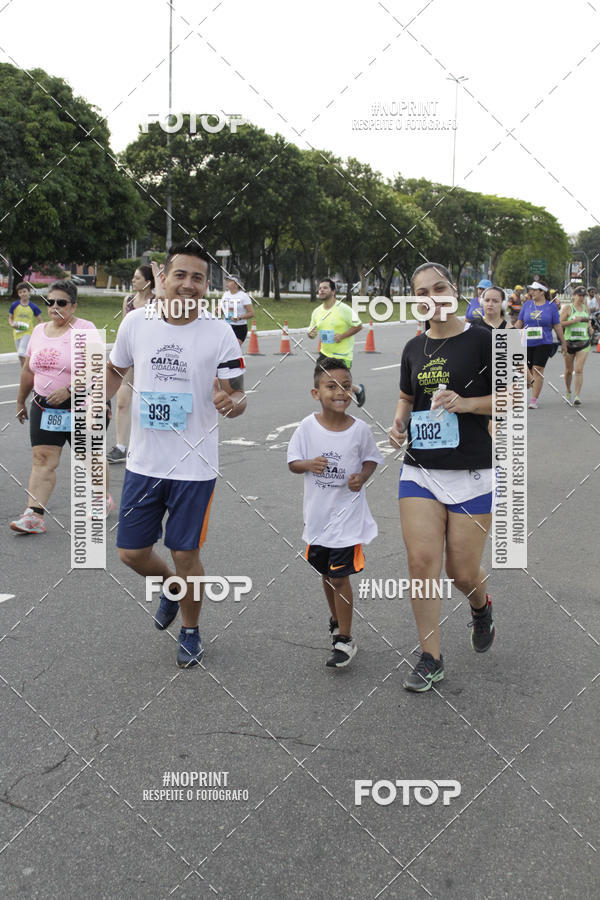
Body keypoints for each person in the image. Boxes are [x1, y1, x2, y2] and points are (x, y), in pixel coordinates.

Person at [105, 243, 247, 669]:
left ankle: (190, 629)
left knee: (185, 554)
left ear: (206, 285)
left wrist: (231, 403)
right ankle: (172, 588)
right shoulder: (136, 323)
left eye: (198, 278)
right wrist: (95, 405)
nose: (188, 284)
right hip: (144, 463)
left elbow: (238, 395)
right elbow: (115, 370)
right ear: (163, 278)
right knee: (131, 553)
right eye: (180, 275)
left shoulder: (219, 332)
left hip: (194, 466)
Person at [389, 262, 494, 693]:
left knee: (461, 572)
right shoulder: (413, 347)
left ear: (454, 291)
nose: (432, 297)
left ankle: (481, 606)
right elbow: (406, 396)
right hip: (420, 470)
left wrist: (466, 404)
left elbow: (513, 397)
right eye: (422, 292)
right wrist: (399, 422)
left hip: (472, 470)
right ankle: (430, 657)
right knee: (421, 562)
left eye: (439, 288)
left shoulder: (483, 339)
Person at [287, 358, 383, 668]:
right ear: (316, 393)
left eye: (346, 386)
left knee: (340, 577)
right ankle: (336, 618)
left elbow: (371, 459)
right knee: (327, 574)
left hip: (347, 521)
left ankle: (345, 638)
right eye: (332, 386)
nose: (340, 392)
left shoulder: (360, 430)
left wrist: (362, 477)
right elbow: (293, 462)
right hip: (318, 520)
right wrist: (308, 464)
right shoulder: (307, 427)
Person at [11, 280, 113, 534]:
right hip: (45, 406)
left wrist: (69, 389)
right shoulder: (39, 331)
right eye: (50, 302)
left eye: (61, 303)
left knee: (88, 456)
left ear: (73, 306)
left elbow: (97, 368)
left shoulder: (85, 329)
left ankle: (101, 498)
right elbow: (28, 370)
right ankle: (34, 515)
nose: (54, 307)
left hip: (82, 404)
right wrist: (20, 400)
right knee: (42, 458)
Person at [106, 265, 155, 464]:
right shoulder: (128, 300)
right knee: (122, 401)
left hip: (150, 358)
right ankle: (120, 446)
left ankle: (147, 446)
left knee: (147, 402)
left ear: (148, 282)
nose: (133, 280)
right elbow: (124, 328)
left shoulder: (157, 302)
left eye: (137, 278)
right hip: (129, 357)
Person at [307, 278, 366, 406]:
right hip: (325, 354)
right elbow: (312, 332)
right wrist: (310, 334)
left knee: (338, 384)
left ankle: (357, 391)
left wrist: (342, 336)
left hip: (342, 355)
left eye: (325, 288)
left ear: (333, 291)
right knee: (320, 382)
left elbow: (358, 325)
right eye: (320, 288)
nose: (321, 290)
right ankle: (355, 390)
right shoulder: (317, 312)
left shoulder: (343, 309)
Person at [515, 281, 567, 409]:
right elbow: (519, 322)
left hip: (544, 342)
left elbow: (557, 325)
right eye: (531, 290)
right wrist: (509, 335)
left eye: (534, 290)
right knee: (526, 372)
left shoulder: (551, 306)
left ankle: (533, 400)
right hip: (526, 343)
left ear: (542, 292)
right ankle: (529, 384)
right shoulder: (527, 305)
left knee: (537, 369)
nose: (531, 292)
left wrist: (563, 342)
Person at [561, 286, 592, 405]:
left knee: (579, 369)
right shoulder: (568, 308)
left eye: (583, 296)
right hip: (569, 342)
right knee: (569, 370)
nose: (581, 298)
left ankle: (577, 396)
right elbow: (560, 323)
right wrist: (573, 321)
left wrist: (590, 328)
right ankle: (568, 390)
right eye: (579, 295)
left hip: (583, 342)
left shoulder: (586, 308)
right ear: (574, 296)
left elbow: (588, 320)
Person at [8, 283, 42, 368]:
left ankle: (26, 372)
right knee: (22, 356)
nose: (23, 294)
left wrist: (37, 332)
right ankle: (27, 371)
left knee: (21, 353)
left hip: (28, 332)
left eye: (24, 291)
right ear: (18, 294)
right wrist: (12, 324)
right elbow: (10, 318)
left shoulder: (33, 306)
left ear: (29, 292)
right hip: (17, 333)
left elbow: (40, 321)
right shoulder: (14, 305)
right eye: (20, 292)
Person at [219, 274, 254, 345]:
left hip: (239, 327)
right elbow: (222, 310)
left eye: (230, 281)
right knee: (226, 348)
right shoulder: (225, 294)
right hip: (226, 326)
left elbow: (251, 313)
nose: (227, 282)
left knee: (234, 347)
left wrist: (239, 318)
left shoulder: (243, 296)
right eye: (227, 280)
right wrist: (219, 310)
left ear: (236, 284)